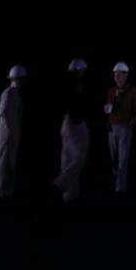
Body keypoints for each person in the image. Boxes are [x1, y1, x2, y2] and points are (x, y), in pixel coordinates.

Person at [55, 59, 91, 202]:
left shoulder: (69, 85)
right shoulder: (75, 86)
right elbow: (74, 106)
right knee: (78, 157)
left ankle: (70, 194)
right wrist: (78, 120)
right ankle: (60, 183)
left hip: (68, 122)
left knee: (68, 157)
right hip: (73, 122)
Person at [103, 62, 136, 194]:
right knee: (113, 158)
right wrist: (107, 110)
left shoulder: (133, 90)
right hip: (112, 128)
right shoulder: (111, 91)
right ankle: (117, 183)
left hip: (125, 127)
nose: (116, 76)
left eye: (119, 74)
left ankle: (120, 188)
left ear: (126, 75)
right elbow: (108, 108)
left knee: (123, 159)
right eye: (115, 74)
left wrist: (130, 124)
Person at [0, 67, 28, 199]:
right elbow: (3, 111)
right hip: (6, 133)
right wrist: (9, 129)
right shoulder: (8, 92)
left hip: (13, 132)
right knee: (3, 162)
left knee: (10, 163)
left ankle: (7, 192)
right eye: (21, 78)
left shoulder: (17, 93)